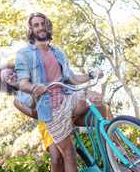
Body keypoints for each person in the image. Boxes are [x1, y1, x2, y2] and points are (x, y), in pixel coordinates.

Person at [15, 12, 112, 172]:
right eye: (36, 25)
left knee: (98, 101)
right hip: (50, 109)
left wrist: (90, 75)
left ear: (47, 26)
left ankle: (111, 155)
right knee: (69, 154)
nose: (40, 27)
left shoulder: (58, 52)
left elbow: (72, 79)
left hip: (68, 97)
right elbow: (23, 83)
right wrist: (35, 88)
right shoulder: (24, 54)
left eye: (42, 23)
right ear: (31, 30)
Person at [0, 63, 64, 172]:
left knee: (67, 156)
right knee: (56, 158)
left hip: (61, 112)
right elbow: (35, 114)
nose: (11, 77)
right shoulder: (17, 101)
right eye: (7, 78)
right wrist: (35, 98)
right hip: (47, 123)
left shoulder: (33, 80)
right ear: (6, 84)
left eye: (11, 73)